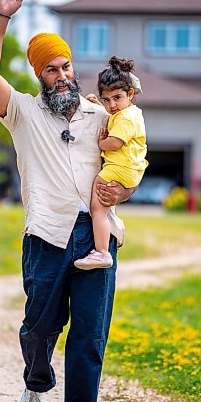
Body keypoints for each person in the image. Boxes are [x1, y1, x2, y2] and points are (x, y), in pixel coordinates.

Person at [0, 0, 129, 402]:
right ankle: (35, 384)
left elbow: (130, 154)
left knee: (90, 332)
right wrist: (2, 17)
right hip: (45, 236)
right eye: (51, 70)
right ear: (38, 76)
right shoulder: (22, 112)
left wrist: (122, 189)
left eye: (65, 67)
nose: (61, 75)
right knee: (39, 327)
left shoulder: (99, 114)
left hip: (96, 238)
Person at [74, 57, 148, 270]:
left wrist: (101, 142)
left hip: (120, 169)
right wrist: (99, 107)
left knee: (97, 208)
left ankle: (102, 252)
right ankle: (102, 250)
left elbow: (114, 143)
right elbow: (111, 116)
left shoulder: (126, 118)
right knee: (102, 207)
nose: (112, 105)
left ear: (130, 94)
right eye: (106, 100)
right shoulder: (127, 113)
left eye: (117, 98)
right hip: (129, 168)